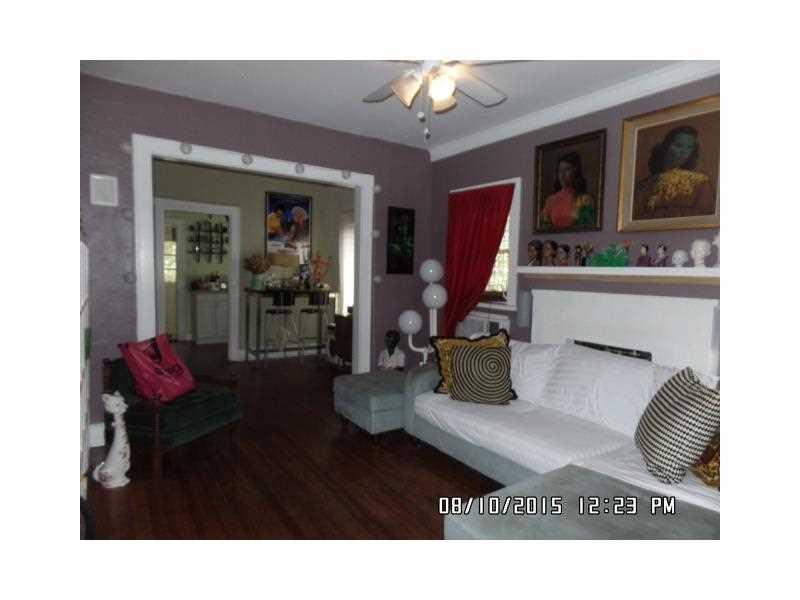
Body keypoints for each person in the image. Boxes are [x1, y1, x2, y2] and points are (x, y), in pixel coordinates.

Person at [634, 126, 715, 219]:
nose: (684, 151)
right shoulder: (644, 185)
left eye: (689, 147)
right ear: (666, 147)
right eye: (679, 145)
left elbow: (704, 215)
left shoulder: (701, 182)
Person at [540, 152, 596, 229]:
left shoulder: (585, 200)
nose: (562, 175)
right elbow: (544, 226)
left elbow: (586, 226)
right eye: (560, 170)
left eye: (567, 169)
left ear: (576, 171)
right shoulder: (550, 200)